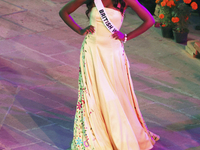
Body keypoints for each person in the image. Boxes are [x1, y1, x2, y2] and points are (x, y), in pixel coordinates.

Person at [59, 0, 160, 149]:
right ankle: (98, 137)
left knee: (115, 94)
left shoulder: (127, 0)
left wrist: (126, 37)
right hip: (92, 50)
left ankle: (120, 135)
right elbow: (64, 12)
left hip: (113, 54)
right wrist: (79, 30)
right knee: (94, 93)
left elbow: (149, 20)